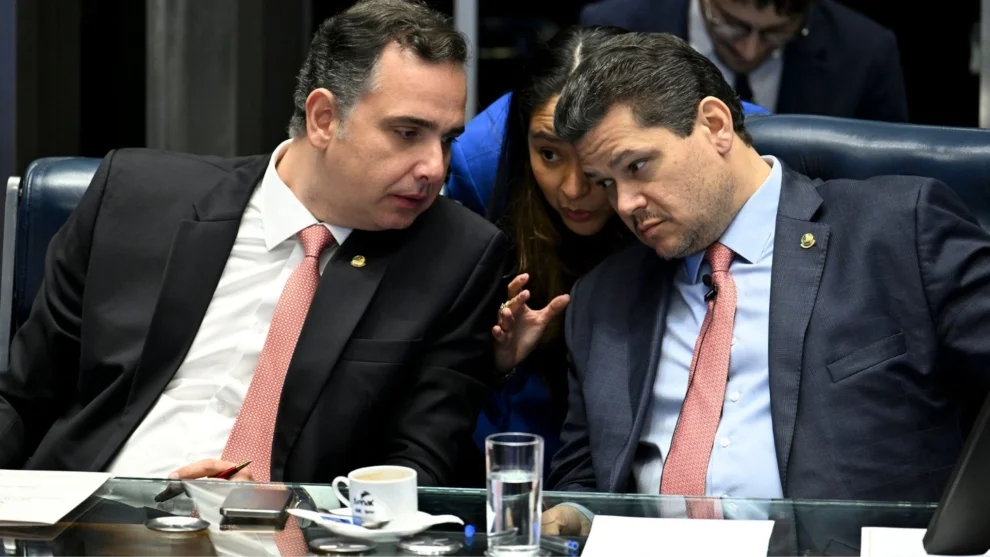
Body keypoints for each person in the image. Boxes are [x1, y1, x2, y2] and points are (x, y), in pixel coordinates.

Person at [0, 0, 506, 488]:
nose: (435, 168)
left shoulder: (454, 256)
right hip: (92, 512)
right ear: (324, 119)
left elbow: (419, 468)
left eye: (447, 139)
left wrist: (273, 505)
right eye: (408, 133)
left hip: (285, 527)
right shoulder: (135, 198)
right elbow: (22, 400)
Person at [541, 32, 990, 535]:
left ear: (715, 125)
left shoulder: (896, 231)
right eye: (607, 182)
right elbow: (584, 479)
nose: (624, 204)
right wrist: (576, 514)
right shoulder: (603, 298)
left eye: (637, 166)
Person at [445, 26, 769, 482]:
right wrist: (494, 363)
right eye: (550, 155)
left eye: (627, 164)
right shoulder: (483, 163)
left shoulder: (715, 135)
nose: (574, 188)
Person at [578, 0, 908, 122]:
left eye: (775, 33)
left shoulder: (865, 51)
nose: (750, 50)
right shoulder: (615, 29)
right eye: (732, 26)